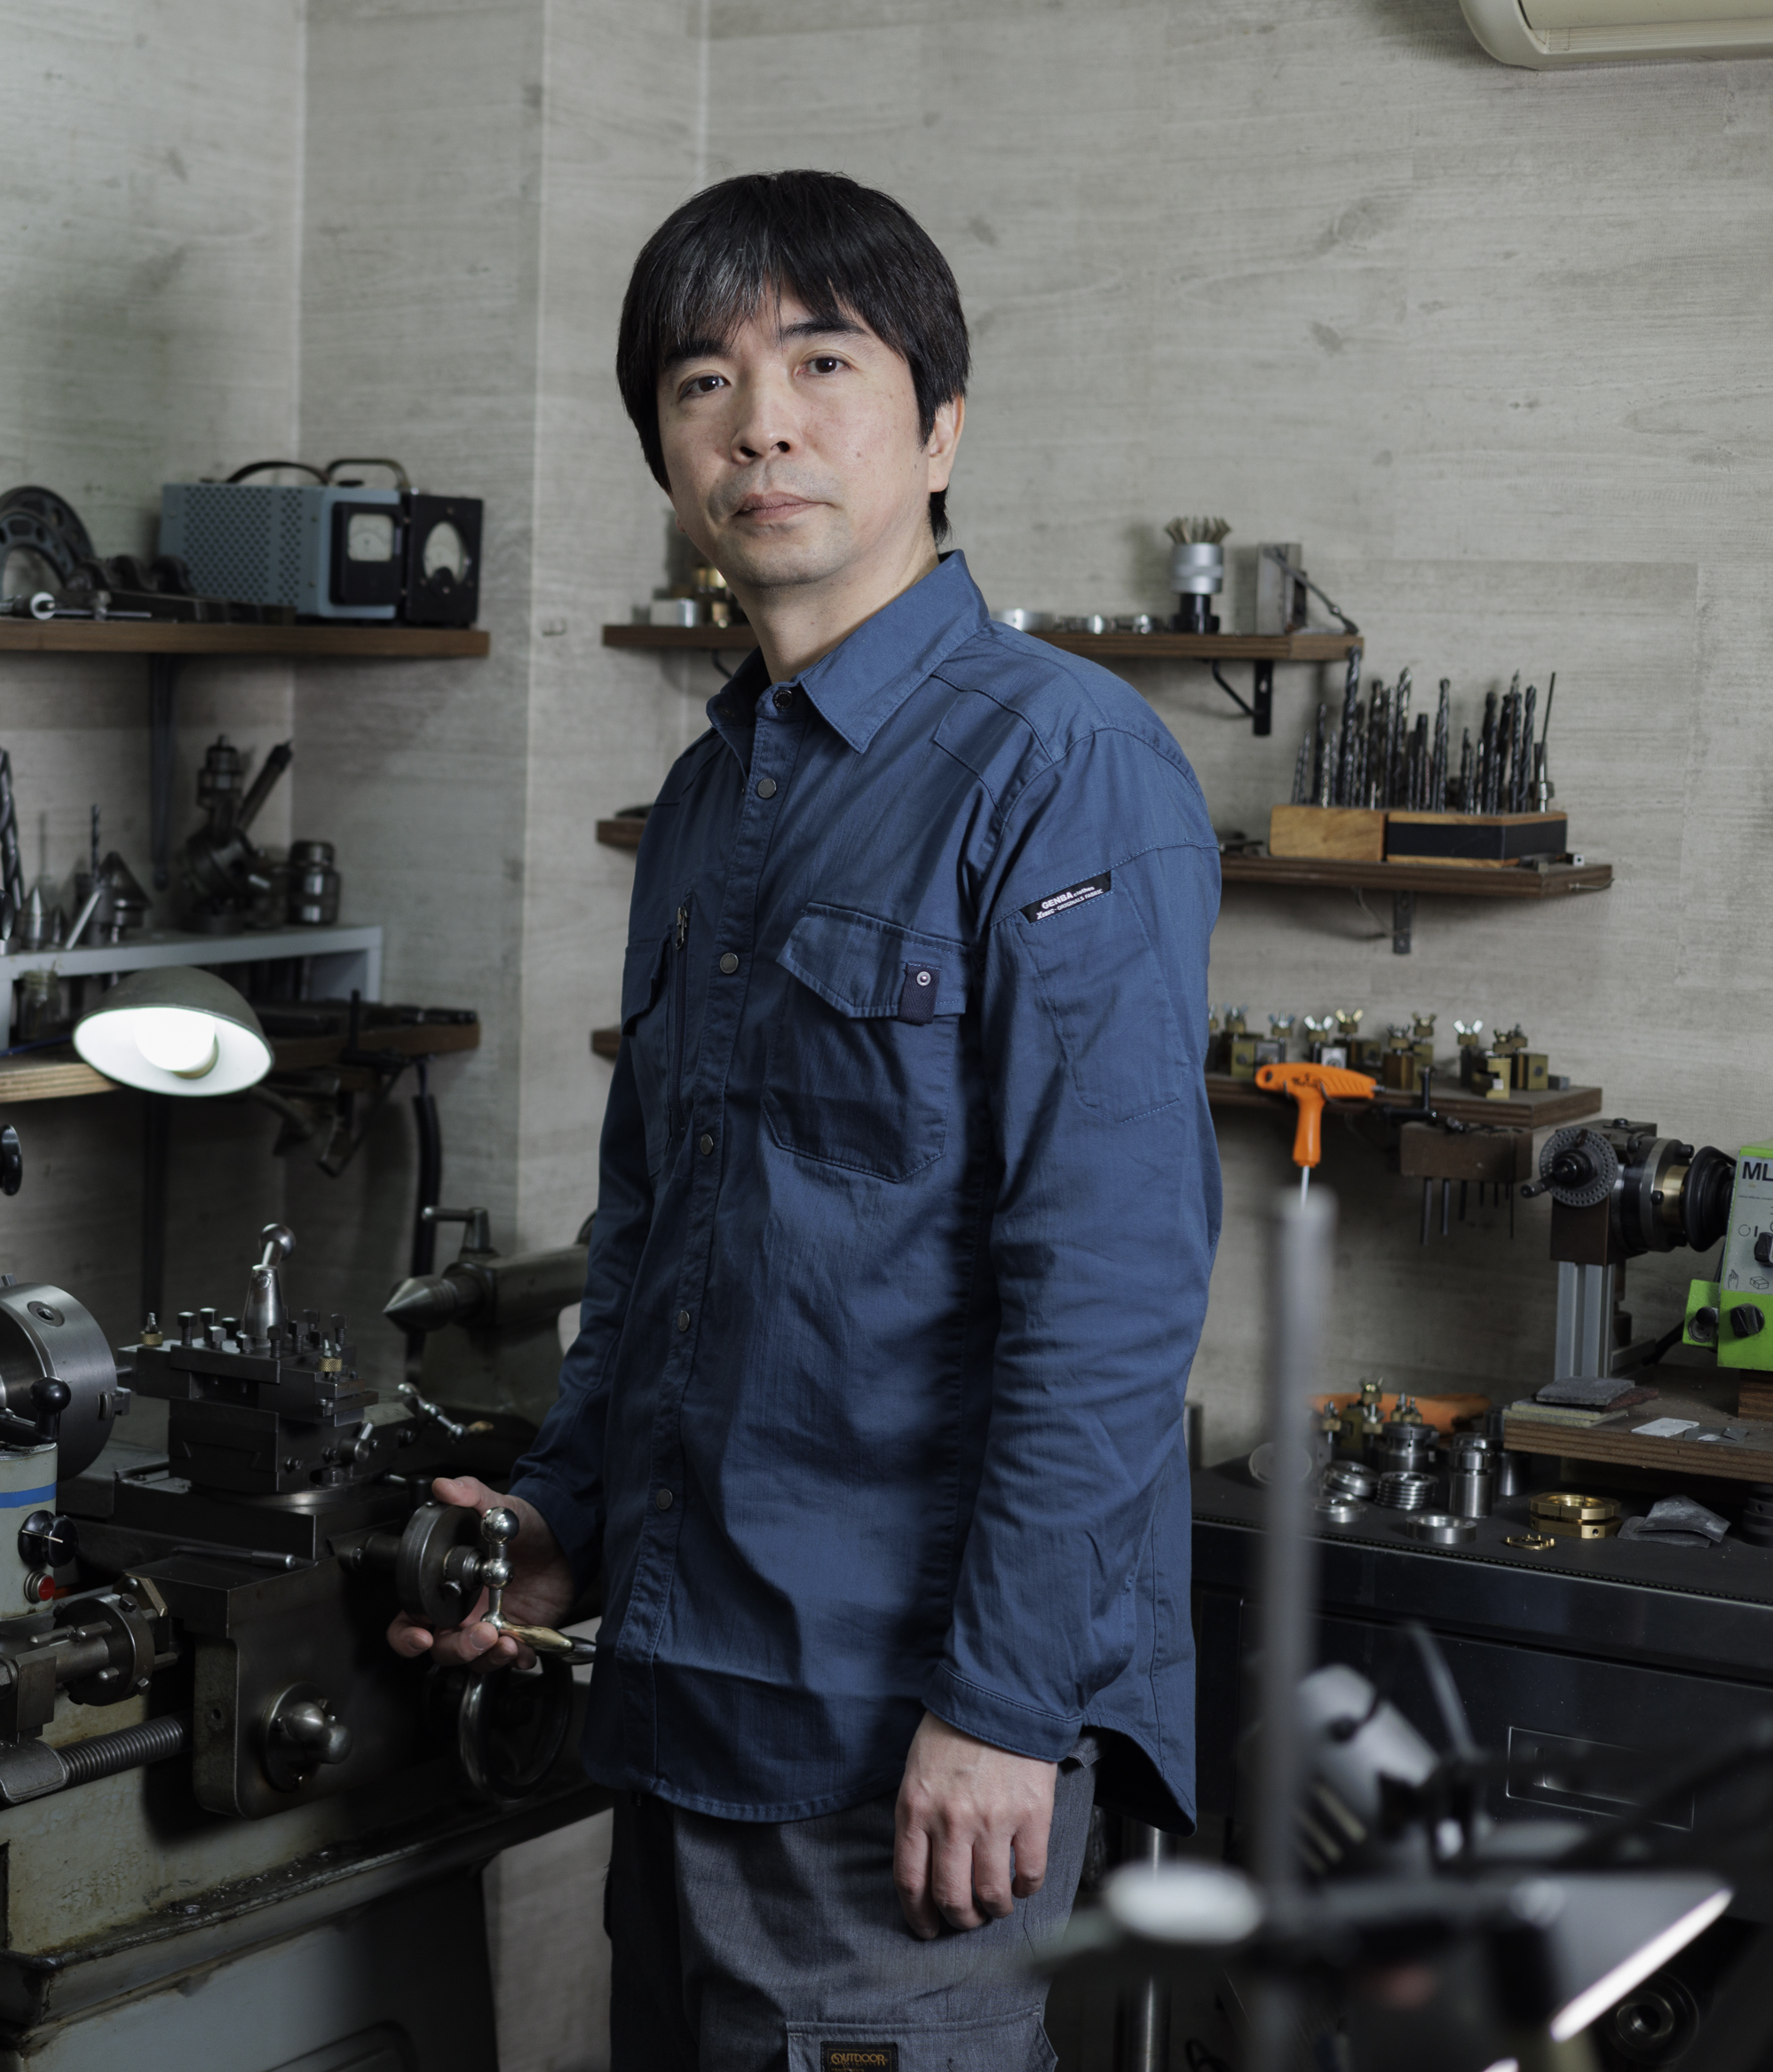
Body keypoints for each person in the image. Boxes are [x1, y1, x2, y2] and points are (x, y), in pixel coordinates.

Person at [392, 170, 1221, 2068]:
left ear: (936, 428)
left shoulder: (1061, 763)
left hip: (903, 1752)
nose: (756, 419)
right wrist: (559, 1522)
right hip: (684, 1715)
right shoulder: (705, 802)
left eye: (818, 362)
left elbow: (1105, 1286)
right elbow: (660, 1238)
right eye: (699, 380)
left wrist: (1009, 1705)